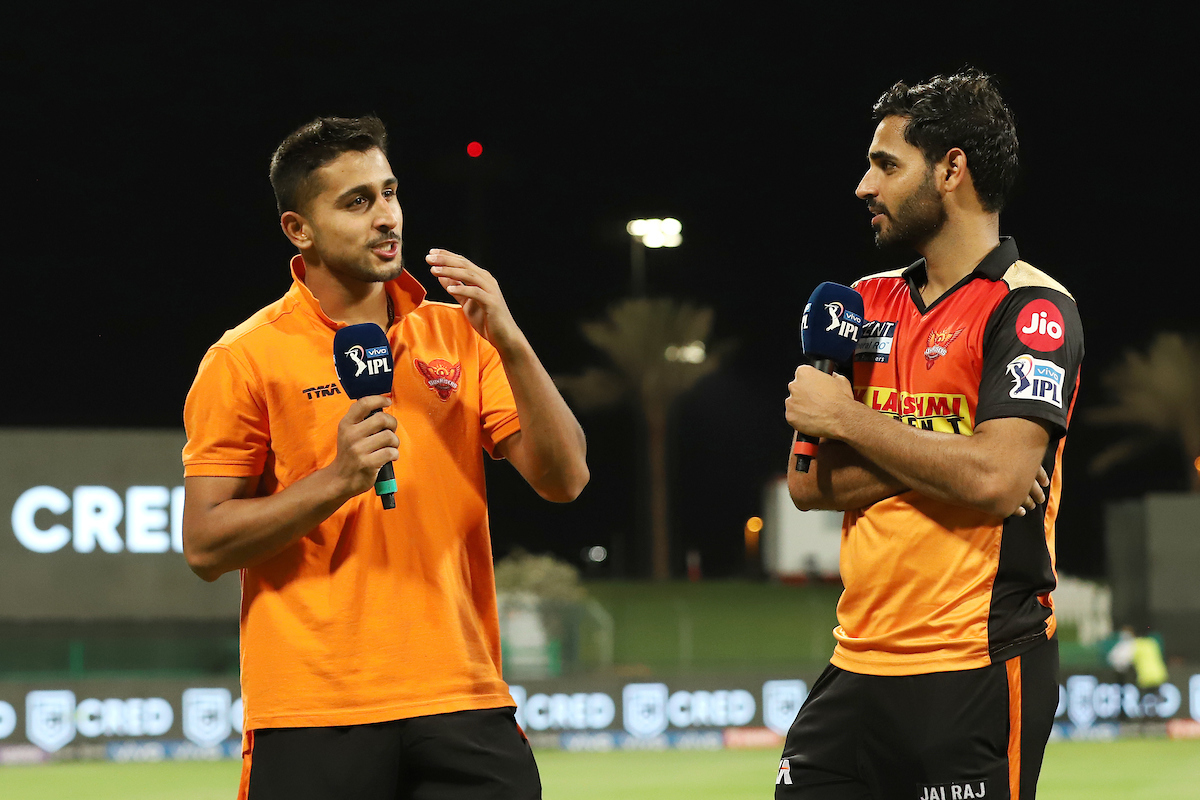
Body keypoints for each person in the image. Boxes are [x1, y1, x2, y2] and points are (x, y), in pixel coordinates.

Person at [181, 115, 588, 800]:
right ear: (297, 231)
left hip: (464, 694)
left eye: (390, 193)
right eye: (357, 201)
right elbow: (205, 545)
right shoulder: (243, 357)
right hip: (317, 709)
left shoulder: (460, 333)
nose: (385, 217)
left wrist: (511, 339)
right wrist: (336, 482)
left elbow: (565, 478)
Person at [778, 70, 1084, 799]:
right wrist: (957, 449)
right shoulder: (862, 303)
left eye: (886, 165)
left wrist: (853, 422)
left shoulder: (1033, 307)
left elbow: (998, 483)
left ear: (952, 169)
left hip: (976, 666)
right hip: (856, 666)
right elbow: (806, 484)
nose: (864, 185)